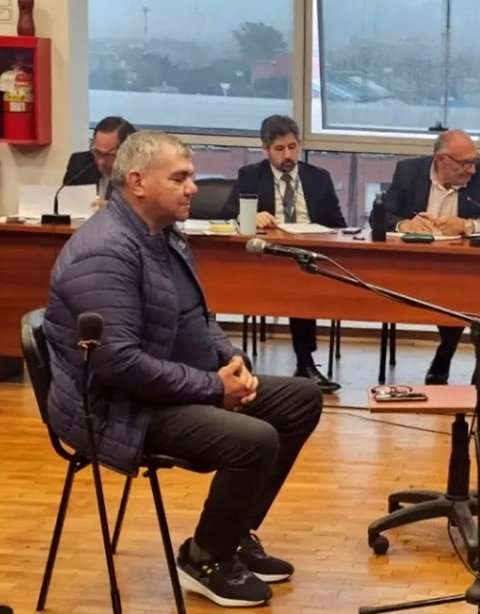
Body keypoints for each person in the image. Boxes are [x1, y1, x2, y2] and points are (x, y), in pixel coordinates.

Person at [44, 132, 323, 608]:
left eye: (190, 176)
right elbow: (118, 363)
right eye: (179, 178)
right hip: (118, 407)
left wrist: (231, 360)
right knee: (255, 440)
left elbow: (198, 315)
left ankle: (231, 533)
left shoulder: (163, 234)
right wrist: (212, 387)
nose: (193, 187)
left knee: (301, 399)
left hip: (170, 383)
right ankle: (207, 558)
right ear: (137, 182)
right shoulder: (106, 251)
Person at [382, 129, 480, 384]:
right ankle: (446, 352)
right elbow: (381, 215)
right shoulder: (408, 172)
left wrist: (467, 225)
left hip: (466, 269)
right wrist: (404, 225)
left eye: (474, 161)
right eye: (464, 163)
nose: (472, 170)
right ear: (441, 160)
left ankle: (459, 362)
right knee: (448, 297)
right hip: (414, 267)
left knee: (467, 298)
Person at [225, 115, 346, 393]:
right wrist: (250, 215)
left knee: (301, 282)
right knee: (294, 281)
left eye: (292, 147)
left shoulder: (319, 178)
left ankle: (305, 363)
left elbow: (339, 224)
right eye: (280, 149)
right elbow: (227, 212)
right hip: (266, 258)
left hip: (307, 256)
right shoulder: (250, 176)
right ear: (265, 149)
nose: (288, 155)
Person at [62, 115, 136, 204]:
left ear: (127, 151)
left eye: (108, 155)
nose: (100, 161)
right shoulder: (79, 166)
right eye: (97, 152)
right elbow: (66, 205)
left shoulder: (139, 175)